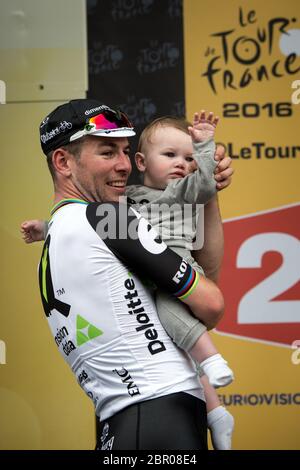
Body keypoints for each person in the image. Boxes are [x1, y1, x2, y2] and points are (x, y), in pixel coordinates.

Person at [22, 99, 233, 450]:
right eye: (107, 152)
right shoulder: (108, 218)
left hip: (125, 418)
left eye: (124, 151)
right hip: (159, 414)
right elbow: (210, 302)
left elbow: (202, 272)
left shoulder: (63, 225)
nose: (123, 165)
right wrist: (202, 183)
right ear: (63, 162)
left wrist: (205, 192)